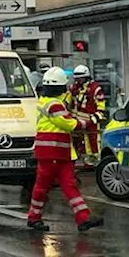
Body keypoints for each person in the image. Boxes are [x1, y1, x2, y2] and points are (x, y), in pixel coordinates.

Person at [29, 67, 103, 233]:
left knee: (56, 185)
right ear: (61, 87)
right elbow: (69, 124)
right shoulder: (55, 105)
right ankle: (36, 217)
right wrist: (89, 121)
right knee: (55, 185)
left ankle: (82, 217)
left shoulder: (45, 101)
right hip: (54, 152)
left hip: (53, 153)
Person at [66, 65, 107, 169]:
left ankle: (94, 163)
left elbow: (101, 108)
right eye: (76, 79)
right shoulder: (73, 88)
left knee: (92, 143)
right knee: (78, 143)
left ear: (86, 77)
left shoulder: (95, 89)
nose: (78, 81)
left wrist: (93, 119)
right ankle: (83, 162)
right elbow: (67, 102)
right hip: (76, 122)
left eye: (80, 78)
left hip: (91, 122)